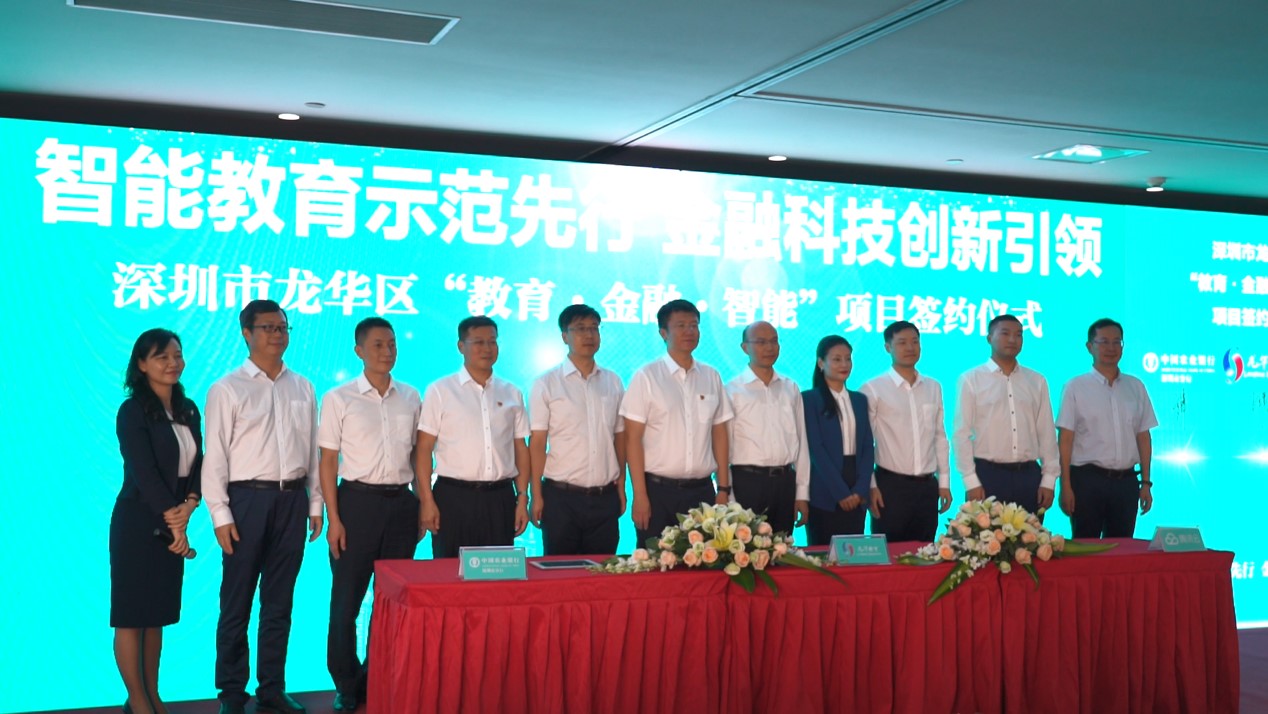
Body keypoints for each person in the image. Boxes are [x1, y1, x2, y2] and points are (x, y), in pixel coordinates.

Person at [203, 300, 323, 714]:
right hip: (246, 501)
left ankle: (271, 687)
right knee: (236, 601)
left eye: (283, 327)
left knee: (279, 602)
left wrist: (315, 504)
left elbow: (311, 450)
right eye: (268, 327)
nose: (277, 334)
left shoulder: (303, 386)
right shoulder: (227, 388)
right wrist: (220, 513)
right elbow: (215, 456)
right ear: (246, 334)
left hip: (292, 500)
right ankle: (231, 693)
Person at [318, 317, 421, 711]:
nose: (387, 351)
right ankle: (346, 682)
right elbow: (328, 461)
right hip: (356, 505)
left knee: (391, 601)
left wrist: (421, 502)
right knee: (346, 600)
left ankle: (379, 675)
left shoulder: (410, 396)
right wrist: (334, 518)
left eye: (392, 344)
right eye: (378, 344)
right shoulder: (339, 398)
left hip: (401, 505)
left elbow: (418, 455)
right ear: (359, 350)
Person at [111, 329, 202, 714]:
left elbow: (199, 464)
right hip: (138, 521)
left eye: (177, 355)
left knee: (156, 616)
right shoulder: (133, 411)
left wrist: (191, 503)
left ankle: (152, 695)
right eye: (162, 357)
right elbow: (144, 472)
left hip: (175, 517)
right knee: (132, 616)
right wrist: (175, 523)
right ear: (142, 364)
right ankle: (138, 700)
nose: (172, 363)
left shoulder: (188, 409)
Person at [621, 299, 734, 548]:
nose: (689, 331)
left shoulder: (711, 375)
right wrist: (640, 495)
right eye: (681, 325)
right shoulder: (647, 376)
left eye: (694, 325)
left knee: (704, 562)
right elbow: (632, 439)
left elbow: (719, 433)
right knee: (655, 562)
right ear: (664, 333)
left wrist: (724, 488)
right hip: (658, 492)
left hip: (702, 493)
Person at [416, 316, 530, 558]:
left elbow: (520, 448)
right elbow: (424, 448)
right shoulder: (441, 390)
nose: (487, 348)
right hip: (453, 498)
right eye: (478, 342)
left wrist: (522, 498)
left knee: (498, 572)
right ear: (461, 346)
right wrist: (426, 500)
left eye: (492, 341)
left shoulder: (512, 392)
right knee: (450, 572)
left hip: (500, 498)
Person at [528, 305, 627, 555]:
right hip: (561, 498)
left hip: (605, 496)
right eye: (580, 329)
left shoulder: (613, 381)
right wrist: (535, 494)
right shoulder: (546, 383)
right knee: (560, 572)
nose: (589, 335)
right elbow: (537, 444)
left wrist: (622, 485)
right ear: (565, 336)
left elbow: (619, 438)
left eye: (594, 328)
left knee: (603, 570)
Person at [1057, 318, 1158, 537]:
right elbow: (1065, 440)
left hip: (1126, 482)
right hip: (1087, 481)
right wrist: (1065, 485)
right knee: (1087, 547)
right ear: (1089, 347)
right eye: (1103, 342)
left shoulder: (1135, 386)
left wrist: (1146, 483)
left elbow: (1143, 437)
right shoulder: (1075, 387)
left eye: (1116, 342)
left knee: (1123, 548)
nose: (1111, 348)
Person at [953, 314, 1059, 514]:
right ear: (989, 338)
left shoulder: (1036, 380)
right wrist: (970, 481)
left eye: (1018, 335)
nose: (1012, 339)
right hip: (987, 475)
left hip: (1029, 475)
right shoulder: (971, 379)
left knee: (1031, 534)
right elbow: (961, 434)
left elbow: (1046, 432)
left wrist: (1049, 479)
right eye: (1005, 333)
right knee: (984, 534)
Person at [862, 321, 951, 543]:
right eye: (902, 342)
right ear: (888, 347)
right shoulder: (873, 388)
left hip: (927, 487)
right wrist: (870, 486)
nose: (910, 348)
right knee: (889, 553)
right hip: (890, 487)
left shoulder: (933, 386)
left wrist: (944, 482)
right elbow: (864, 444)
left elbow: (940, 437)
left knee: (925, 552)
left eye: (915, 342)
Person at [724, 321, 810, 535]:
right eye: (761, 342)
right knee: (745, 550)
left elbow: (802, 443)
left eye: (774, 341)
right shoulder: (732, 390)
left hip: (785, 483)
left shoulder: (790, 387)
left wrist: (802, 493)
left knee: (782, 549)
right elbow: (723, 448)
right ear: (745, 347)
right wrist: (728, 495)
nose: (769, 348)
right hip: (747, 483)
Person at [802, 335, 874, 545]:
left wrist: (860, 490)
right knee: (823, 554)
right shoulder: (809, 399)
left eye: (848, 359)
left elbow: (867, 447)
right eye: (836, 359)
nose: (844, 364)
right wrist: (841, 493)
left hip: (856, 486)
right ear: (821, 363)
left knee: (853, 554)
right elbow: (816, 449)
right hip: (825, 488)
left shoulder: (859, 400)